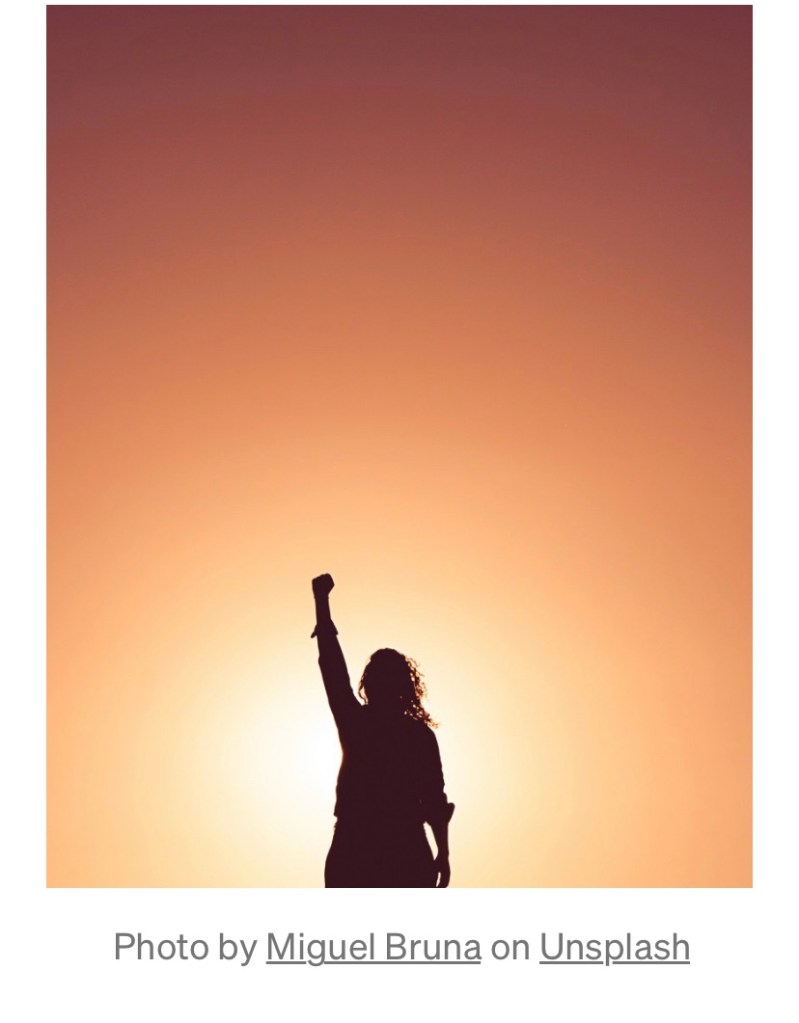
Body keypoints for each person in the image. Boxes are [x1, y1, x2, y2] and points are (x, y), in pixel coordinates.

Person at [311, 573, 454, 887]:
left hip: (387, 848)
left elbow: (434, 799)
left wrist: (442, 853)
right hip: (370, 845)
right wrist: (322, 606)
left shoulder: (393, 731)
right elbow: (332, 667)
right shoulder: (380, 727)